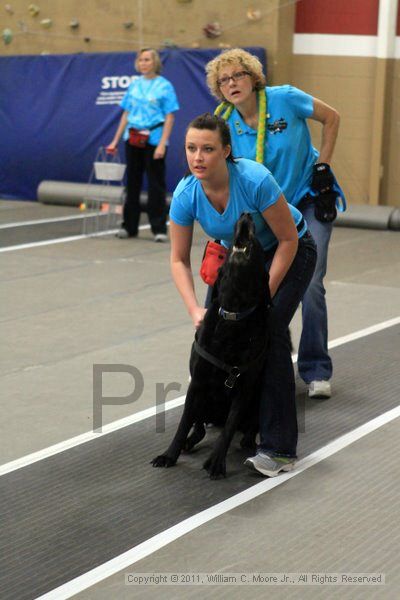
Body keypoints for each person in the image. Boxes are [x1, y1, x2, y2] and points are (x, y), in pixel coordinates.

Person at [169, 113, 316, 476]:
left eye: (207, 149)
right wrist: (194, 310)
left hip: (289, 251)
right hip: (236, 262)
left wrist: (262, 301)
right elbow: (178, 259)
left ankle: (278, 448)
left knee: (270, 335)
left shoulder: (254, 180)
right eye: (191, 149)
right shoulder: (186, 194)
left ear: (226, 151)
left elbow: (288, 240)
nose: (197, 157)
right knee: (211, 338)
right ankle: (204, 418)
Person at [205, 48, 346, 399]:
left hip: (307, 199)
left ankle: (315, 369)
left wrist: (322, 166)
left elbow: (332, 117)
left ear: (253, 77)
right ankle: (249, 364)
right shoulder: (223, 123)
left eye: (238, 75)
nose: (231, 83)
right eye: (223, 80)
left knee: (311, 281)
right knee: (253, 284)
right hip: (266, 213)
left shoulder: (285, 99)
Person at [107, 48, 179, 242]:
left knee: (156, 184)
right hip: (132, 138)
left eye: (147, 59)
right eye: (141, 60)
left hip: (154, 139)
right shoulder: (134, 85)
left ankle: (159, 228)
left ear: (155, 62)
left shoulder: (165, 86)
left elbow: (170, 116)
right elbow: (126, 113)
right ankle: (129, 227)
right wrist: (115, 140)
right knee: (132, 182)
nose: (144, 63)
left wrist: (162, 144)